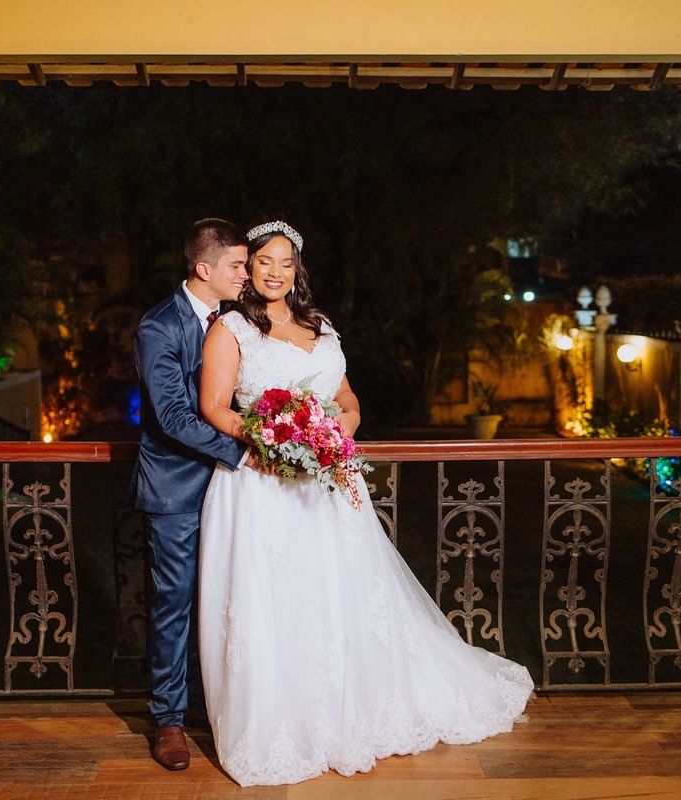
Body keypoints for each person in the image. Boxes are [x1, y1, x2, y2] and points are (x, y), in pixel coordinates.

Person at [198, 220, 534, 787]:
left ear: (296, 270)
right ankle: (284, 720)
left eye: (285, 262)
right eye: (263, 263)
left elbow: (347, 401)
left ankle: (352, 705)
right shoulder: (230, 328)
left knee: (338, 593)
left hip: (329, 485)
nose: (276, 272)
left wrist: (334, 432)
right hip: (261, 486)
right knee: (274, 598)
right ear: (247, 270)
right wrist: (271, 441)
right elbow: (214, 406)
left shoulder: (320, 325)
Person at [126, 218, 252, 771]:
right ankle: (170, 721)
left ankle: (219, 706)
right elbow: (173, 416)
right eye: (238, 266)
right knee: (174, 603)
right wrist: (248, 450)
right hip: (177, 488)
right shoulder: (160, 326)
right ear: (205, 269)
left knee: (227, 598)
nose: (246, 275)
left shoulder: (235, 323)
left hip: (231, 491)